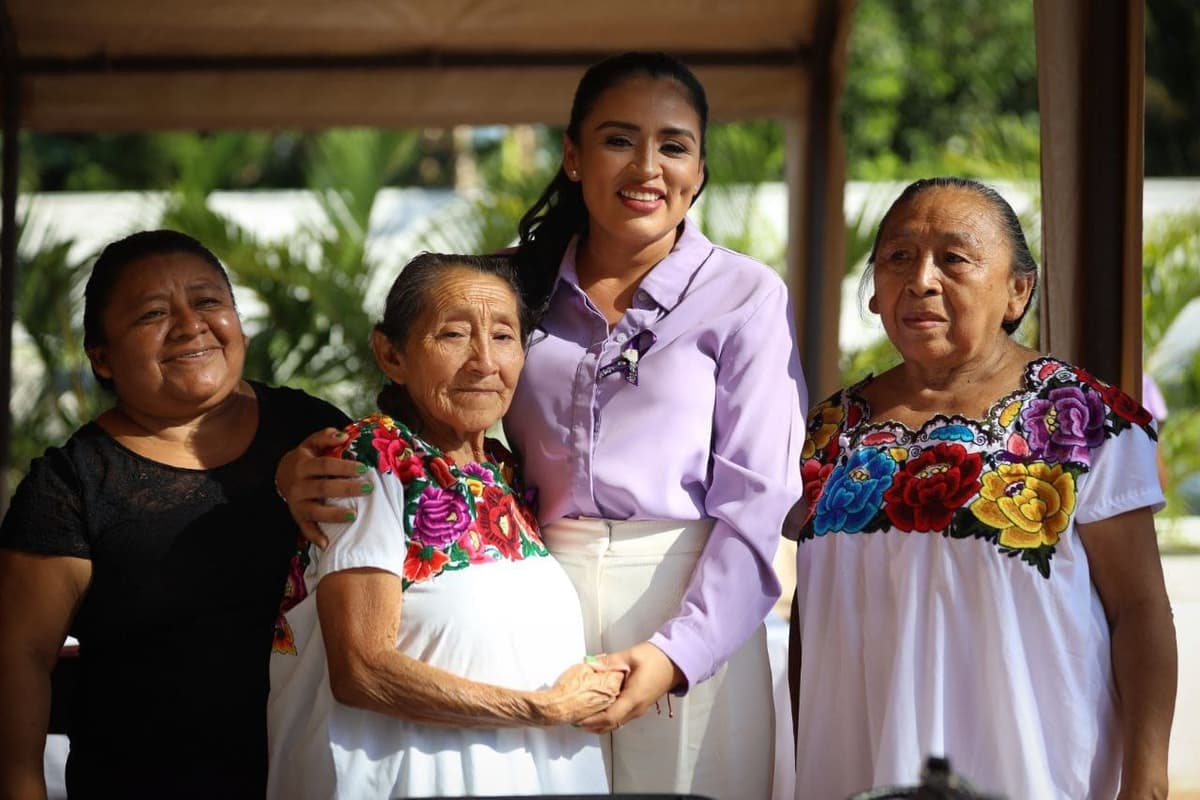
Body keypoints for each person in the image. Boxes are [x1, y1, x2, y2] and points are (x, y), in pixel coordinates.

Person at [278, 51, 807, 799]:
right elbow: (415, 404)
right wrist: (295, 466)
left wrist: (677, 653)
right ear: (572, 155)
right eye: (619, 139)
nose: (647, 167)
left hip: (693, 606)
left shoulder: (745, 293)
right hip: (531, 598)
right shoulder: (504, 287)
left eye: (674, 145)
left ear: (699, 168)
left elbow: (758, 502)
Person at [791, 177, 1177, 799]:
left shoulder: (1085, 419)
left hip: (1033, 771)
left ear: (1017, 291)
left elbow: (1139, 609)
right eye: (898, 257)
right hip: (854, 769)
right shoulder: (828, 428)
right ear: (875, 292)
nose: (921, 280)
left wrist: (1147, 780)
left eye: (954, 258)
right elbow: (814, 613)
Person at [0, 230, 348, 799]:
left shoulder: (312, 428)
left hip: (317, 778)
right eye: (153, 314)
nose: (190, 326)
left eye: (208, 301)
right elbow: (21, 659)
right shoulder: (69, 486)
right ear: (102, 358)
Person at [266, 253, 620, 799]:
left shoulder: (505, 471)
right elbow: (363, 670)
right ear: (392, 354)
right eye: (454, 334)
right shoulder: (372, 460)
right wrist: (540, 709)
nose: (484, 362)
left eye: (504, 337)